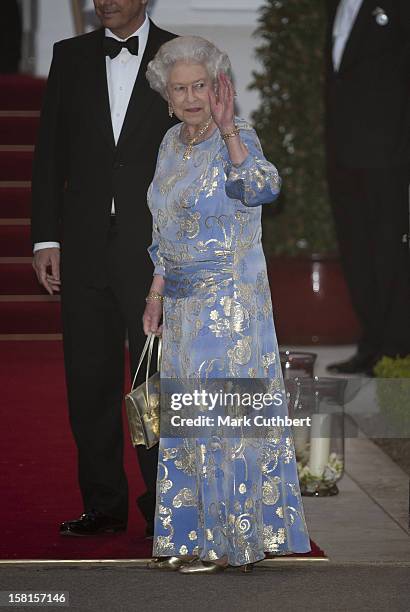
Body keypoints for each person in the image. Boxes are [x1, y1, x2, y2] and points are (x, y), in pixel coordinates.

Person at [142, 36, 311, 573]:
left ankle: (230, 541)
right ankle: (192, 536)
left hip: (231, 307)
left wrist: (232, 129)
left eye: (200, 86)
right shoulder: (170, 143)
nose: (191, 98)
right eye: (180, 89)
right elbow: (162, 229)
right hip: (184, 307)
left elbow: (262, 187)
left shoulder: (238, 138)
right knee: (189, 421)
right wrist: (155, 294)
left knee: (224, 421)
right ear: (166, 97)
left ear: (218, 90)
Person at [31, 0, 177, 537]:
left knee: (152, 380)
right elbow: (50, 150)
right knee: (88, 378)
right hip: (83, 242)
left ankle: (166, 502)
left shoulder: (178, 54)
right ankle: (104, 503)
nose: (107, 0)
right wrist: (46, 236)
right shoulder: (69, 56)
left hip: (153, 247)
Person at [325, 0, 410, 375]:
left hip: (390, 155)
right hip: (343, 154)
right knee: (357, 255)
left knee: (391, 256)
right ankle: (372, 344)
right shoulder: (336, 6)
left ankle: (397, 351)